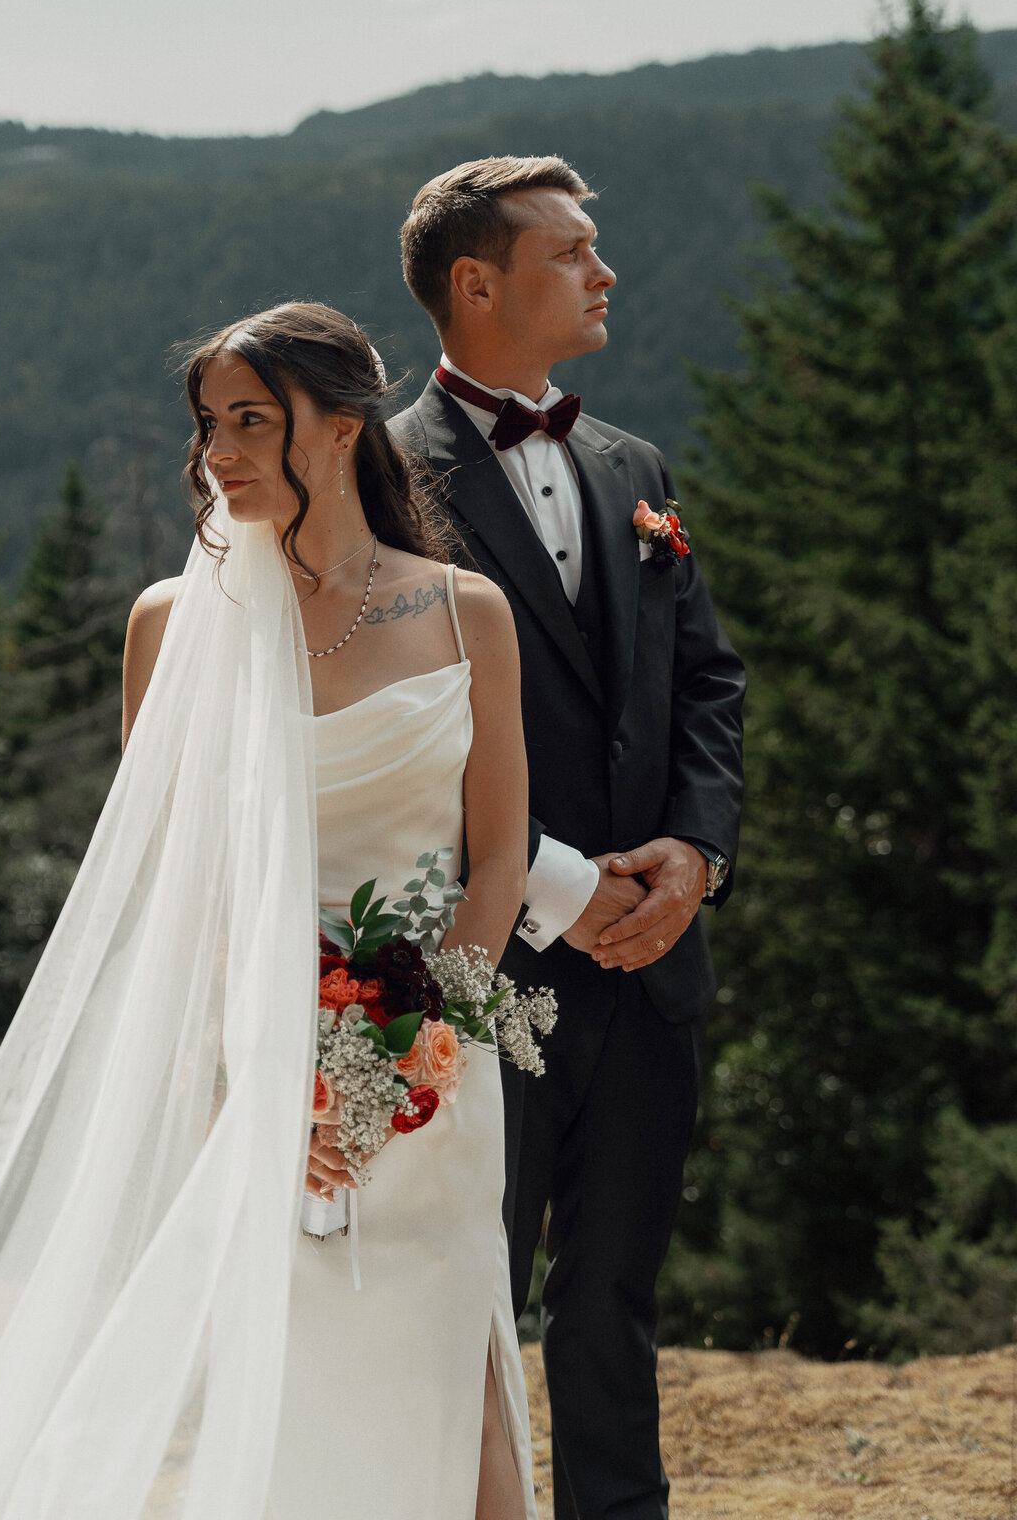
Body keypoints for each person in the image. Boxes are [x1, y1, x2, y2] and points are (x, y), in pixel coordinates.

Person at [0, 303, 538, 1520]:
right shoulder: (171, 624)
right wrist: (255, 1059)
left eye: (252, 421)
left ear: (346, 419)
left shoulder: (467, 613)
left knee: (458, 1383)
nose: (220, 452)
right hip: (253, 1070)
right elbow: (174, 880)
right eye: (209, 425)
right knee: (283, 1382)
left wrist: (413, 1043)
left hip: (438, 1069)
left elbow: (501, 858)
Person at [390, 157, 746, 1520]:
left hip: (651, 965)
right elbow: (405, 722)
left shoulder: (634, 466)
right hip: (485, 966)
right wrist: (552, 885)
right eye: (572, 254)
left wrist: (696, 857)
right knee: (463, 1299)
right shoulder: (387, 482)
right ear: (478, 284)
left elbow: (708, 681)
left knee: (615, 1304)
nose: (604, 274)